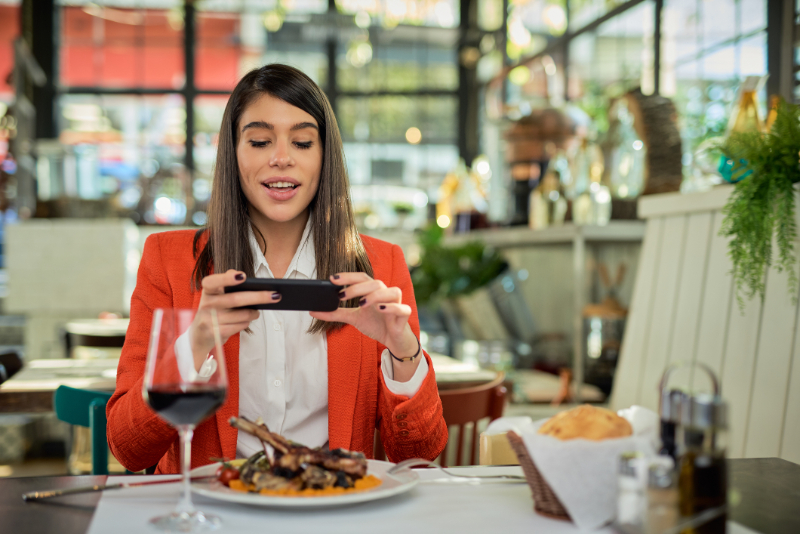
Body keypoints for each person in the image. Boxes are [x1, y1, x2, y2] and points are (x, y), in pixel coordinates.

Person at [106, 64, 448, 474]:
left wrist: (403, 351)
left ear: (325, 157)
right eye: (260, 141)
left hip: (332, 512)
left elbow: (420, 452)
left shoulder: (381, 265)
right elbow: (128, 448)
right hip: (215, 514)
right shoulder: (168, 259)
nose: (281, 158)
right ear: (233, 152)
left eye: (302, 142)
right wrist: (194, 346)